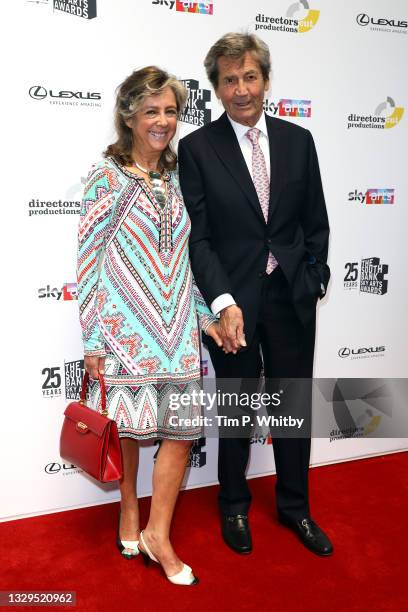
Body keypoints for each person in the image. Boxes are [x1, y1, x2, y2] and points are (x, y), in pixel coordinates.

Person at [178, 33, 333, 556]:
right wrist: (222, 302)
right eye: (229, 80)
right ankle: (234, 506)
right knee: (238, 412)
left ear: (265, 80)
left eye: (250, 77)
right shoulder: (197, 149)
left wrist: (312, 279)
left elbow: (316, 223)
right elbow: (198, 238)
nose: (241, 89)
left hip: (290, 298)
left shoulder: (298, 140)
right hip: (233, 305)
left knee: (292, 409)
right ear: (217, 88)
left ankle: (296, 509)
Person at [77, 66, 222, 585]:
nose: (162, 121)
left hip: (178, 329)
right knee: (133, 433)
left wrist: (206, 315)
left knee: (180, 434)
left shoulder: (182, 177)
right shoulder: (107, 177)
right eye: (151, 111)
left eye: (170, 112)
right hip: (125, 330)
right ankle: (130, 512)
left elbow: (187, 257)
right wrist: (93, 336)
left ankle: (158, 533)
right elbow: (89, 260)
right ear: (129, 116)